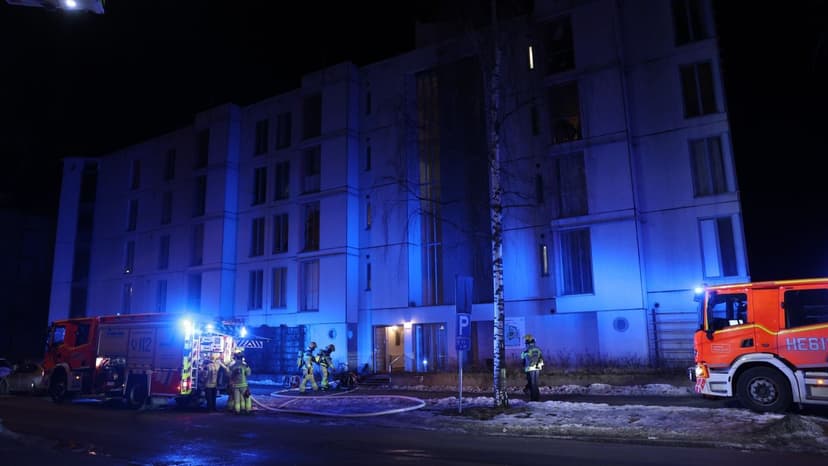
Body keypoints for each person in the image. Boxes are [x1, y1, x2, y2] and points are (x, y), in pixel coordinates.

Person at [521, 334, 544, 402]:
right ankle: (537, 398)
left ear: (527, 343)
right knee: (535, 384)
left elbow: (523, 360)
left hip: (530, 368)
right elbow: (541, 358)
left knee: (531, 383)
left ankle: (533, 399)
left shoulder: (526, 351)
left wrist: (524, 367)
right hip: (537, 368)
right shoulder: (538, 349)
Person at [228, 348, 252, 414]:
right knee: (247, 398)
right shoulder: (244, 366)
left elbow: (229, 375)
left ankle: (237, 411)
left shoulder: (232, 366)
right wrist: (248, 368)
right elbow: (248, 374)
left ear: (235, 358)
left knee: (237, 400)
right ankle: (248, 410)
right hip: (243, 385)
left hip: (235, 386)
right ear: (241, 358)